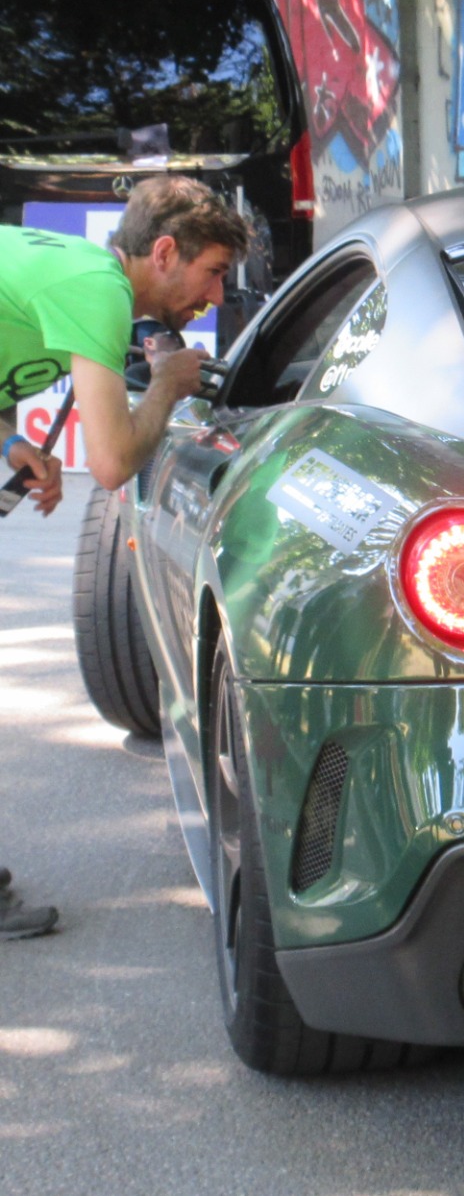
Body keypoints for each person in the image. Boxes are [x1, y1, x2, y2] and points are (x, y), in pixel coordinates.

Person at [0, 176, 250, 939]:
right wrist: (167, 387)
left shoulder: (77, 273)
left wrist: (10, 444)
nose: (214, 297)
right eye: (212, 272)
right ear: (164, 252)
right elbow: (111, 463)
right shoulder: (97, 290)